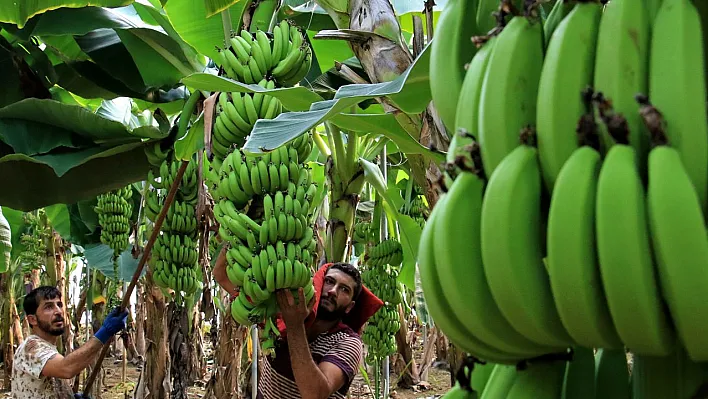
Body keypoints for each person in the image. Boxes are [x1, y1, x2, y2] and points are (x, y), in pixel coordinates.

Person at [213, 247, 383, 399]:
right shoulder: (279, 317)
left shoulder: (348, 343)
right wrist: (235, 238)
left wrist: (295, 326)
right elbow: (221, 275)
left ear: (350, 307)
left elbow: (315, 394)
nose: (332, 291)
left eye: (344, 289)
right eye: (330, 281)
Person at [11, 286, 129, 399]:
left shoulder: (49, 349)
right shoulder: (31, 347)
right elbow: (66, 368)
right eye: (48, 307)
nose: (58, 311)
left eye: (59, 305)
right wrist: (105, 332)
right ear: (32, 319)